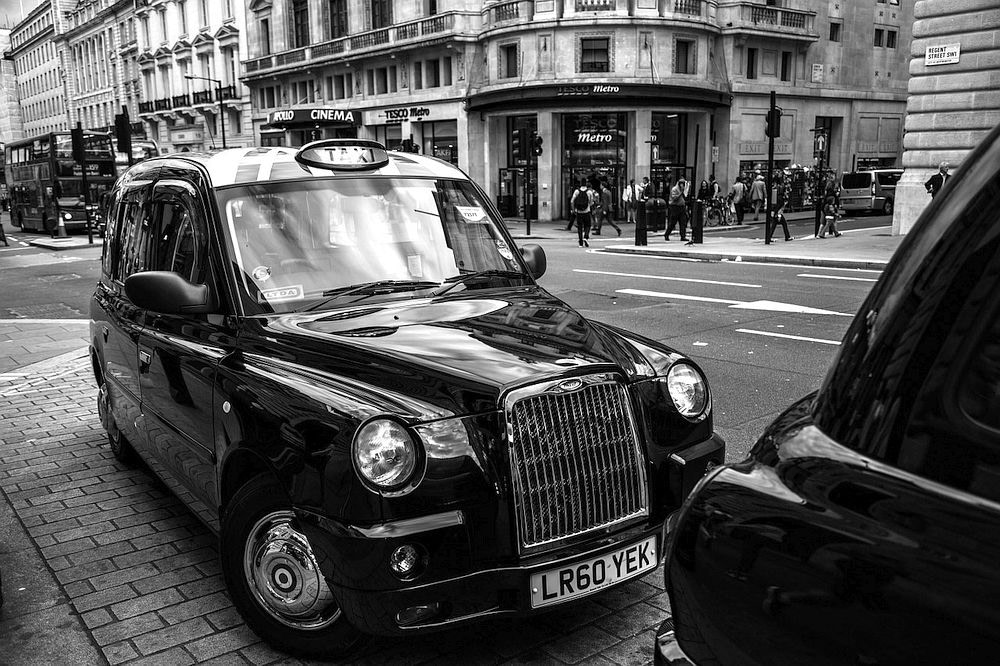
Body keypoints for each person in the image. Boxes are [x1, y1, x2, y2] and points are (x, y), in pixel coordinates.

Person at [768, 178, 793, 242]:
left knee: (774, 225)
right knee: (784, 224)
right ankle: (787, 237)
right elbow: (778, 207)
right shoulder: (781, 198)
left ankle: (769, 237)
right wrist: (778, 215)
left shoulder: (776, 196)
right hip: (778, 214)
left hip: (776, 213)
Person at [570, 181, 593, 247]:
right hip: (587, 211)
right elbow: (591, 203)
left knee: (579, 227)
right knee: (588, 225)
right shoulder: (589, 192)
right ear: (586, 185)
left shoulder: (577, 191)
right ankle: (586, 237)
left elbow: (572, 201)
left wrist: (573, 209)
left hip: (579, 212)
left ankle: (580, 242)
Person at [665, 177, 688, 242]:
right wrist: (681, 193)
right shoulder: (674, 189)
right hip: (675, 207)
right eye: (681, 184)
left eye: (683, 184)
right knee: (672, 223)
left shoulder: (683, 190)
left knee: (683, 222)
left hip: (682, 207)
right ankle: (667, 234)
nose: (682, 185)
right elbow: (674, 198)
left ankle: (683, 236)